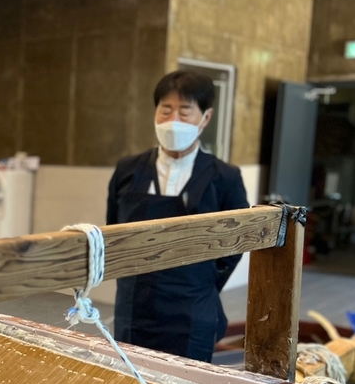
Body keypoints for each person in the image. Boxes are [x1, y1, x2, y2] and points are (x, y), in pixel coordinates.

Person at [106, 70, 249, 362]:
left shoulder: (225, 177)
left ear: (205, 119)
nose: (173, 121)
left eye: (185, 112)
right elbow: (113, 230)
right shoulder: (128, 170)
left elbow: (236, 245)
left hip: (192, 310)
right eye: (165, 110)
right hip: (135, 307)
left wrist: (202, 283)